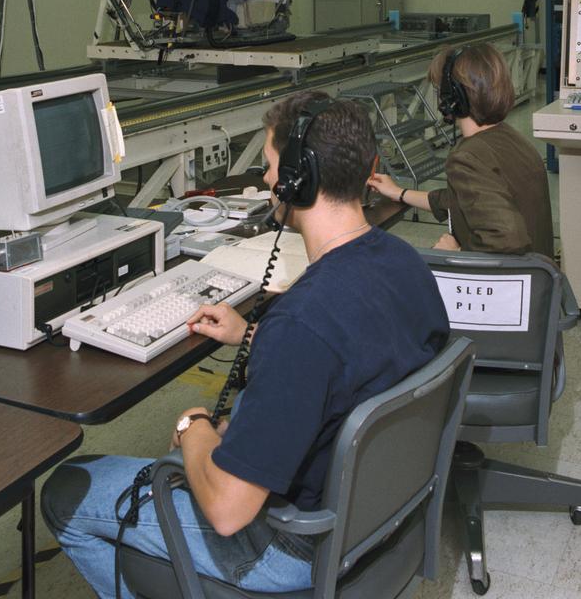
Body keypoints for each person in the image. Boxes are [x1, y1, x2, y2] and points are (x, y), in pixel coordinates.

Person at [41, 93, 449, 596]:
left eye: (272, 167)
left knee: (67, 489)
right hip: (380, 517)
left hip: (296, 546)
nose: (266, 181)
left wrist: (192, 426)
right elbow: (360, 359)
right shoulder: (407, 262)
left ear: (299, 179)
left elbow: (229, 512)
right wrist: (254, 337)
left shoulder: (301, 322)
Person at [367, 43, 554, 257]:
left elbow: (507, 238)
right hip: (539, 281)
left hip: (508, 284)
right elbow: (461, 199)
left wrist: (457, 253)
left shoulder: (468, 157)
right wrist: (399, 193)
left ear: (452, 98)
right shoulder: (511, 138)